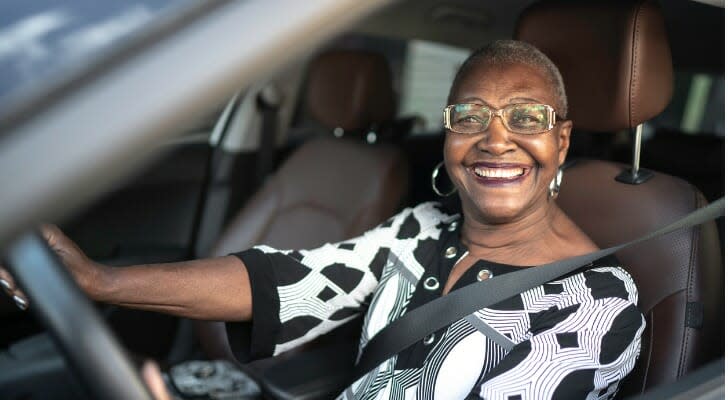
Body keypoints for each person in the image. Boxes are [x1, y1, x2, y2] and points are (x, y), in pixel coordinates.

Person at [0, 40, 644, 399]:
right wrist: (101, 282)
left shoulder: (599, 307)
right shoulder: (422, 226)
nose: (494, 140)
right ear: (446, 135)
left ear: (561, 140)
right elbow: (287, 283)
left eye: (526, 118)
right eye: (469, 116)